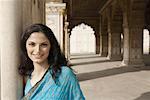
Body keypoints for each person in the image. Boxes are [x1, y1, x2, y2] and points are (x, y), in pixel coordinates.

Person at [19, 23, 85, 100]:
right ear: (25, 46)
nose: (37, 50)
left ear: (51, 47)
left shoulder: (64, 75)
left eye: (44, 45)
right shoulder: (24, 77)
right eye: (32, 44)